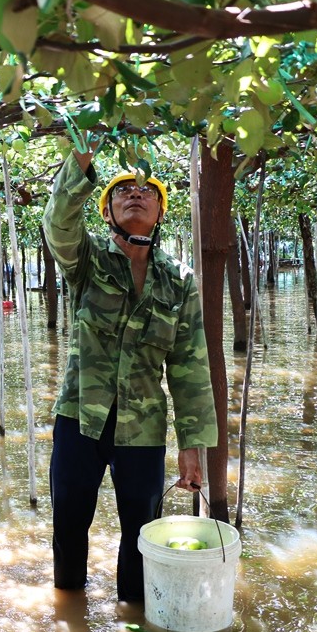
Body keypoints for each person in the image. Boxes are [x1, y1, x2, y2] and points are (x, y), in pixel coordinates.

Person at [42, 138, 218, 603]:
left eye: (147, 190)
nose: (136, 193)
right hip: (80, 418)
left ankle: (133, 628)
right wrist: (83, 152)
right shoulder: (87, 260)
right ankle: (69, 612)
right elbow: (58, 221)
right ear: (107, 210)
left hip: (143, 428)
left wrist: (192, 446)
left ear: (160, 212)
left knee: (141, 536)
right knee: (69, 524)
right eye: (123, 188)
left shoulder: (178, 280)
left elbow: (189, 366)